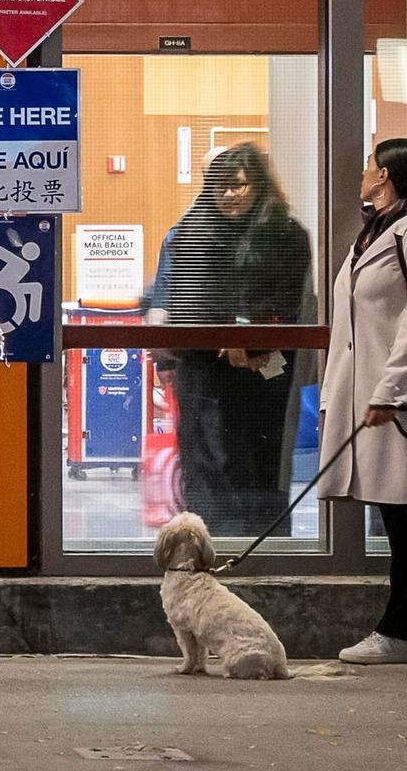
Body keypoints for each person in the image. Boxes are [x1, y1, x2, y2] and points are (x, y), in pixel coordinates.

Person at [148, 144, 312, 536]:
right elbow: (181, 294)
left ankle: (263, 553)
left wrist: (241, 333)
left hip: (262, 371)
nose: (229, 195)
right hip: (203, 369)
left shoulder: (285, 233)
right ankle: (209, 546)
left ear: (259, 186)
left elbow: (285, 298)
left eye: (239, 185)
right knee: (204, 464)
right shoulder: (192, 231)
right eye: (220, 186)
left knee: (258, 464)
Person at [320, 137, 407, 665]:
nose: (361, 172)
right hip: (375, 402)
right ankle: (403, 628)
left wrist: (391, 389)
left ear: (385, 177)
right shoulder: (376, 232)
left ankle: (400, 631)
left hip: (400, 407)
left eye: (367, 165)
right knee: (400, 519)